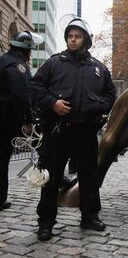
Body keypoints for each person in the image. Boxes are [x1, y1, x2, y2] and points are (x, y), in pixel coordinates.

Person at [30, 17, 116, 241]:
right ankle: (46, 222)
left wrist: (100, 107)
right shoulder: (53, 63)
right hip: (57, 131)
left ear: (86, 40)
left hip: (86, 132)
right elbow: (36, 86)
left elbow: (110, 94)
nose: (73, 40)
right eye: (70, 36)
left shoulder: (99, 68)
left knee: (89, 176)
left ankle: (90, 217)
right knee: (52, 177)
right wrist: (52, 103)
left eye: (78, 37)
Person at [0, 31, 43, 211]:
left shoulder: (3, 60)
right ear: (26, 50)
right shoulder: (18, 66)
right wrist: (27, 120)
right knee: (1, 160)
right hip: (5, 120)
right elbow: (21, 95)